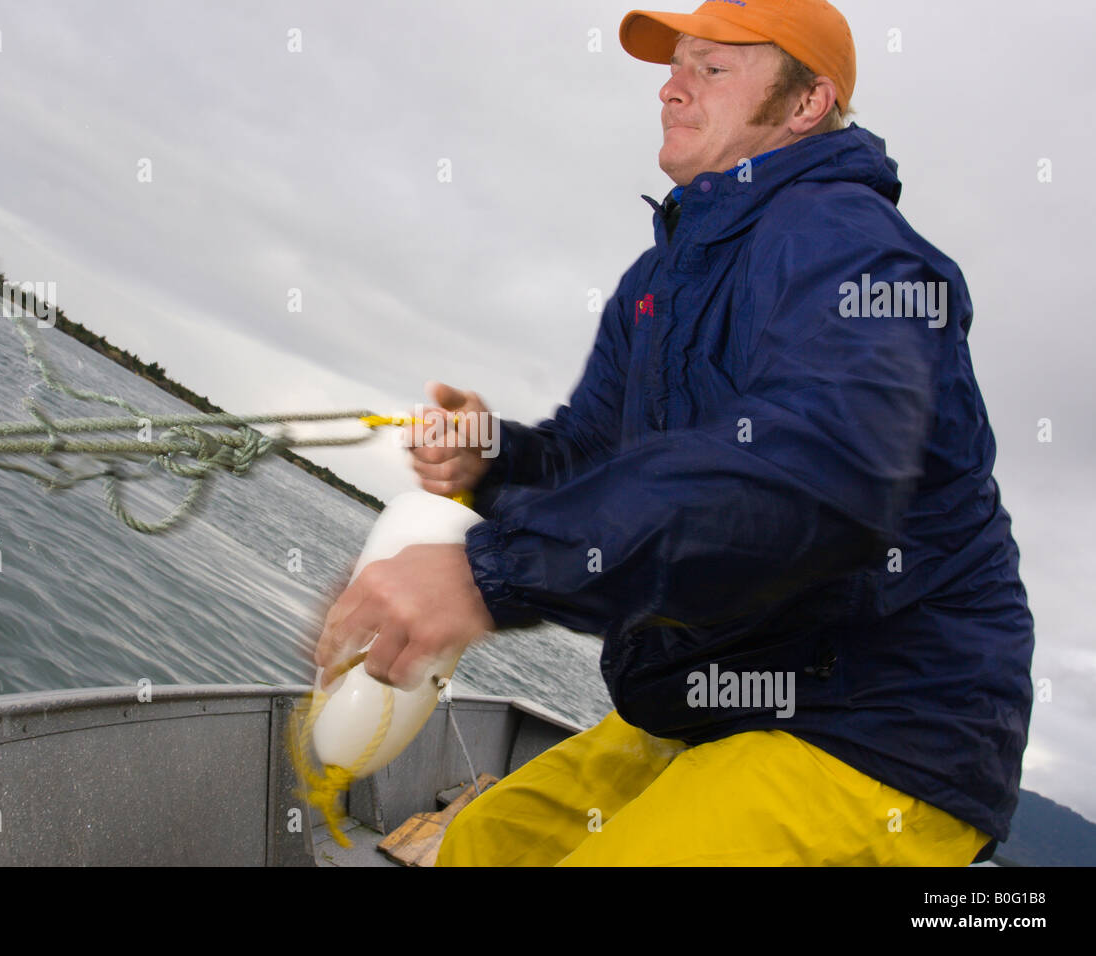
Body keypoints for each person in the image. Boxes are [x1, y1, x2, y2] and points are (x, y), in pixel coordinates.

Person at [314, 0, 1034, 866]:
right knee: (483, 842)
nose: (671, 88)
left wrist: (488, 578)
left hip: (885, 729)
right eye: (676, 65)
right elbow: (589, 454)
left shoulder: (855, 252)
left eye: (713, 68)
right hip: (713, 703)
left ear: (806, 105)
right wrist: (496, 457)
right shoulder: (659, 280)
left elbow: (815, 477)